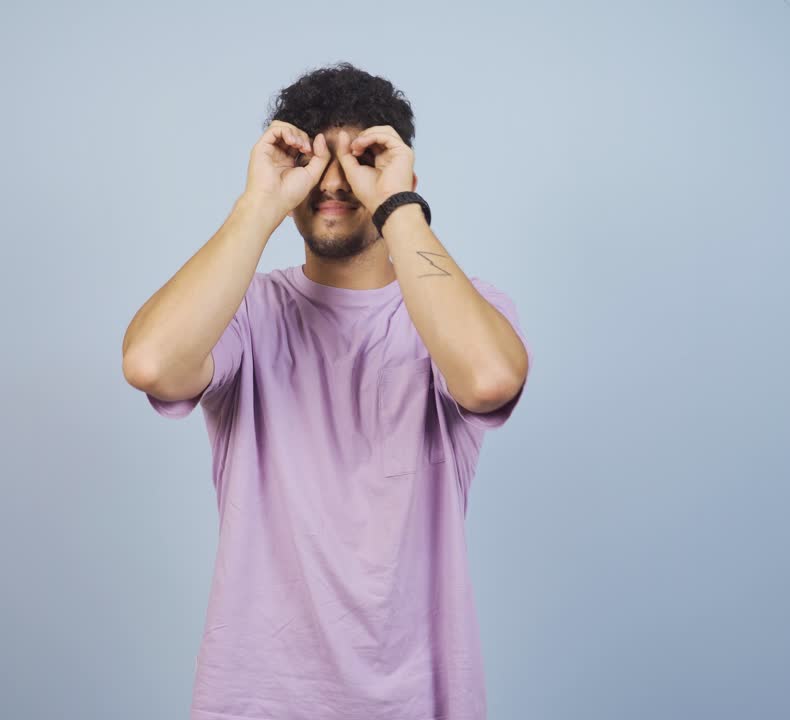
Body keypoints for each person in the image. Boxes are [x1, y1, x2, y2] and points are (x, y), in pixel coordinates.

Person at [121, 61, 532, 720]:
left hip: (417, 701)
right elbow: (150, 362)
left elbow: (487, 379)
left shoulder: (466, 309)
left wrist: (397, 204)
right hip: (256, 701)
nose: (336, 181)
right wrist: (259, 204)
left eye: (363, 159)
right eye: (316, 161)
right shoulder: (248, 314)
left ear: (403, 175)